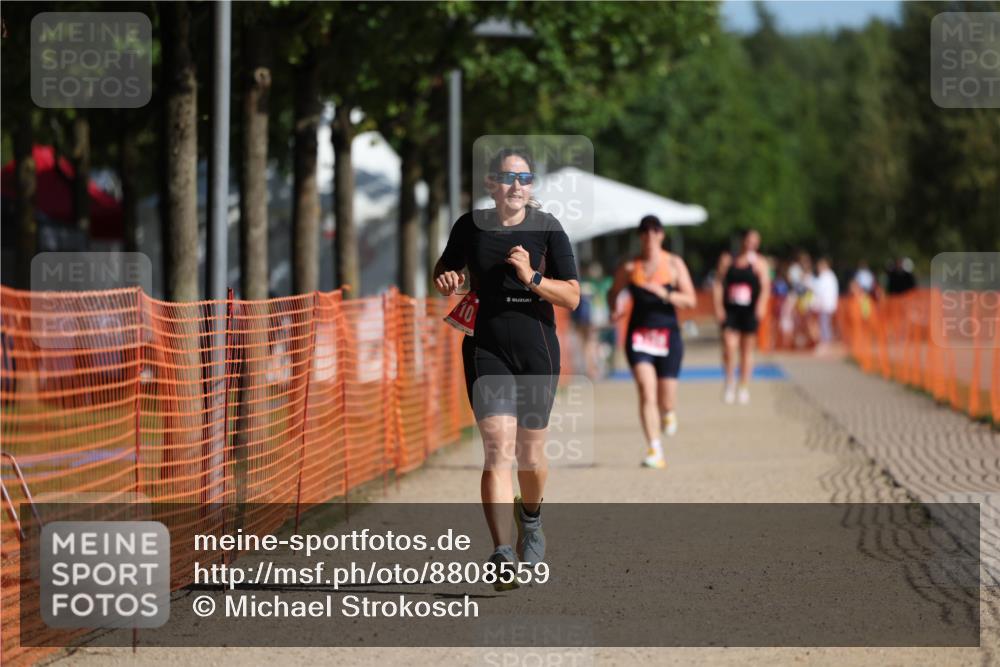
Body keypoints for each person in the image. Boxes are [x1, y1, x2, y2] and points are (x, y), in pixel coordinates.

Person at [433, 148, 580, 590]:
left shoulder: (548, 229)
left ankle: (530, 521)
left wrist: (532, 277)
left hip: (537, 350)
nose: (517, 185)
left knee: (530, 456)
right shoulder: (470, 226)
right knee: (497, 449)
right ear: (491, 184)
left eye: (525, 178)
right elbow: (445, 269)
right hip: (486, 348)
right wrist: (447, 279)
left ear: (531, 186)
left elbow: (572, 296)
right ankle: (500, 551)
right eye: (508, 177)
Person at [607, 215, 696, 469]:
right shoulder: (629, 267)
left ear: (661, 234)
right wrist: (615, 308)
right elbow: (613, 293)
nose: (649, 235)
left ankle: (668, 414)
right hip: (639, 337)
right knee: (647, 391)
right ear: (640, 236)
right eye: (644, 231)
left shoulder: (674, 264)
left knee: (666, 400)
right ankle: (654, 449)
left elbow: (690, 300)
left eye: (654, 230)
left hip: (668, 337)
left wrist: (666, 293)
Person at [713, 229, 770, 404]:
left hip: (749, 310)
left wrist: (761, 306)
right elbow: (718, 284)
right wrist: (718, 308)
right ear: (742, 240)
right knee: (729, 347)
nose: (751, 244)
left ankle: (744, 385)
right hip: (731, 310)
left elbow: (765, 287)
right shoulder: (728, 260)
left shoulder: (759, 263)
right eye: (749, 240)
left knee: (746, 349)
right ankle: (729, 382)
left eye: (755, 241)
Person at [572, 262, 612, 379]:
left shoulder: (591, 285)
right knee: (589, 344)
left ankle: (591, 370)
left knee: (588, 344)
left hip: (589, 319)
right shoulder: (599, 286)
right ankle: (591, 370)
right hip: (590, 319)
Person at [812, 257, 839, 348]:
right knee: (826, 323)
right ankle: (826, 341)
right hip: (828, 304)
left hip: (825, 304)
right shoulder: (830, 276)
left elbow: (819, 289)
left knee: (824, 324)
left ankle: (825, 342)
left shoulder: (825, 276)